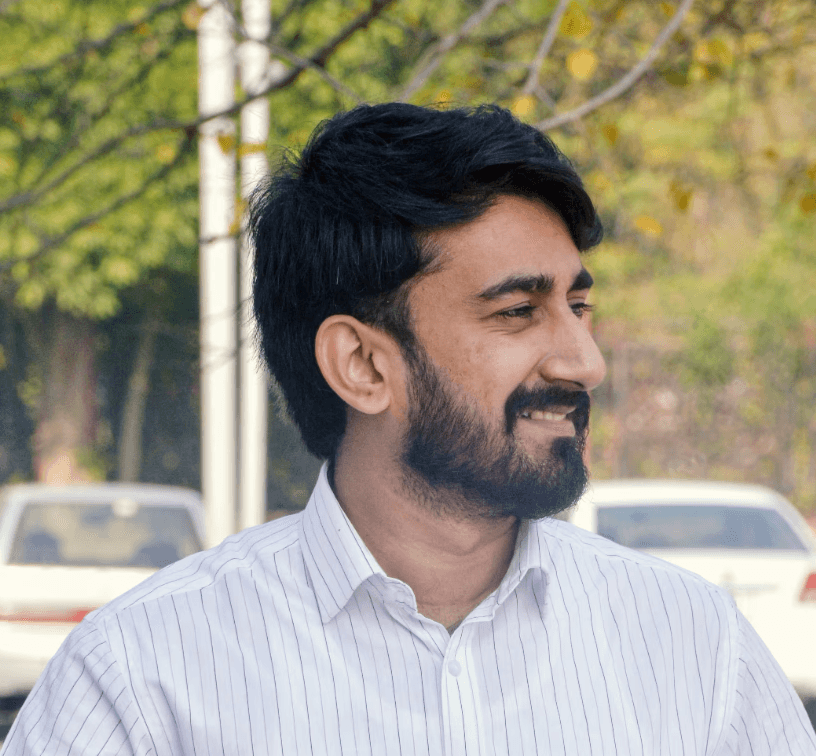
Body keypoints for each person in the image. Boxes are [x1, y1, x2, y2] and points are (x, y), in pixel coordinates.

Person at [3, 103, 814, 756]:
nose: (584, 360)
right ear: (360, 364)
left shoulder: (694, 649)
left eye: (578, 305)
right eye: (518, 311)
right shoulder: (142, 678)